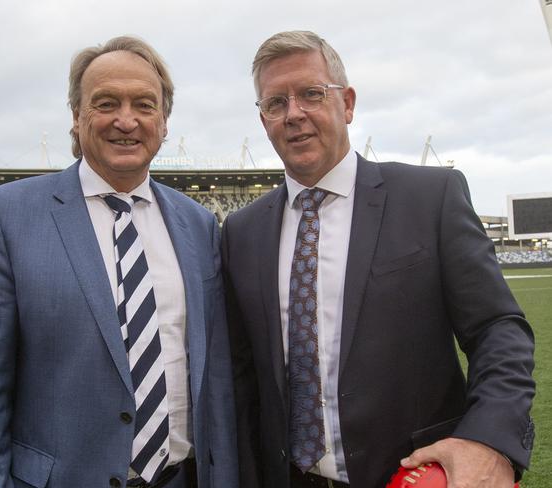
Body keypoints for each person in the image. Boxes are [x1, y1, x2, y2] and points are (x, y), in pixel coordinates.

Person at [221, 30, 535, 488]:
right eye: (275, 103)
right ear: (263, 119)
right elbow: (244, 377)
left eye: (311, 94)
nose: (294, 114)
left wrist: (488, 440)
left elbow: (497, 329)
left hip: (411, 474)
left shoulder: (430, 198)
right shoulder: (242, 231)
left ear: (346, 103)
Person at [0, 36, 237, 488]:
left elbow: (215, 376)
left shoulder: (198, 223)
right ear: (75, 117)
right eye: (106, 103)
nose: (126, 120)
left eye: (144, 105)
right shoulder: (6, 215)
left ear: (164, 122)